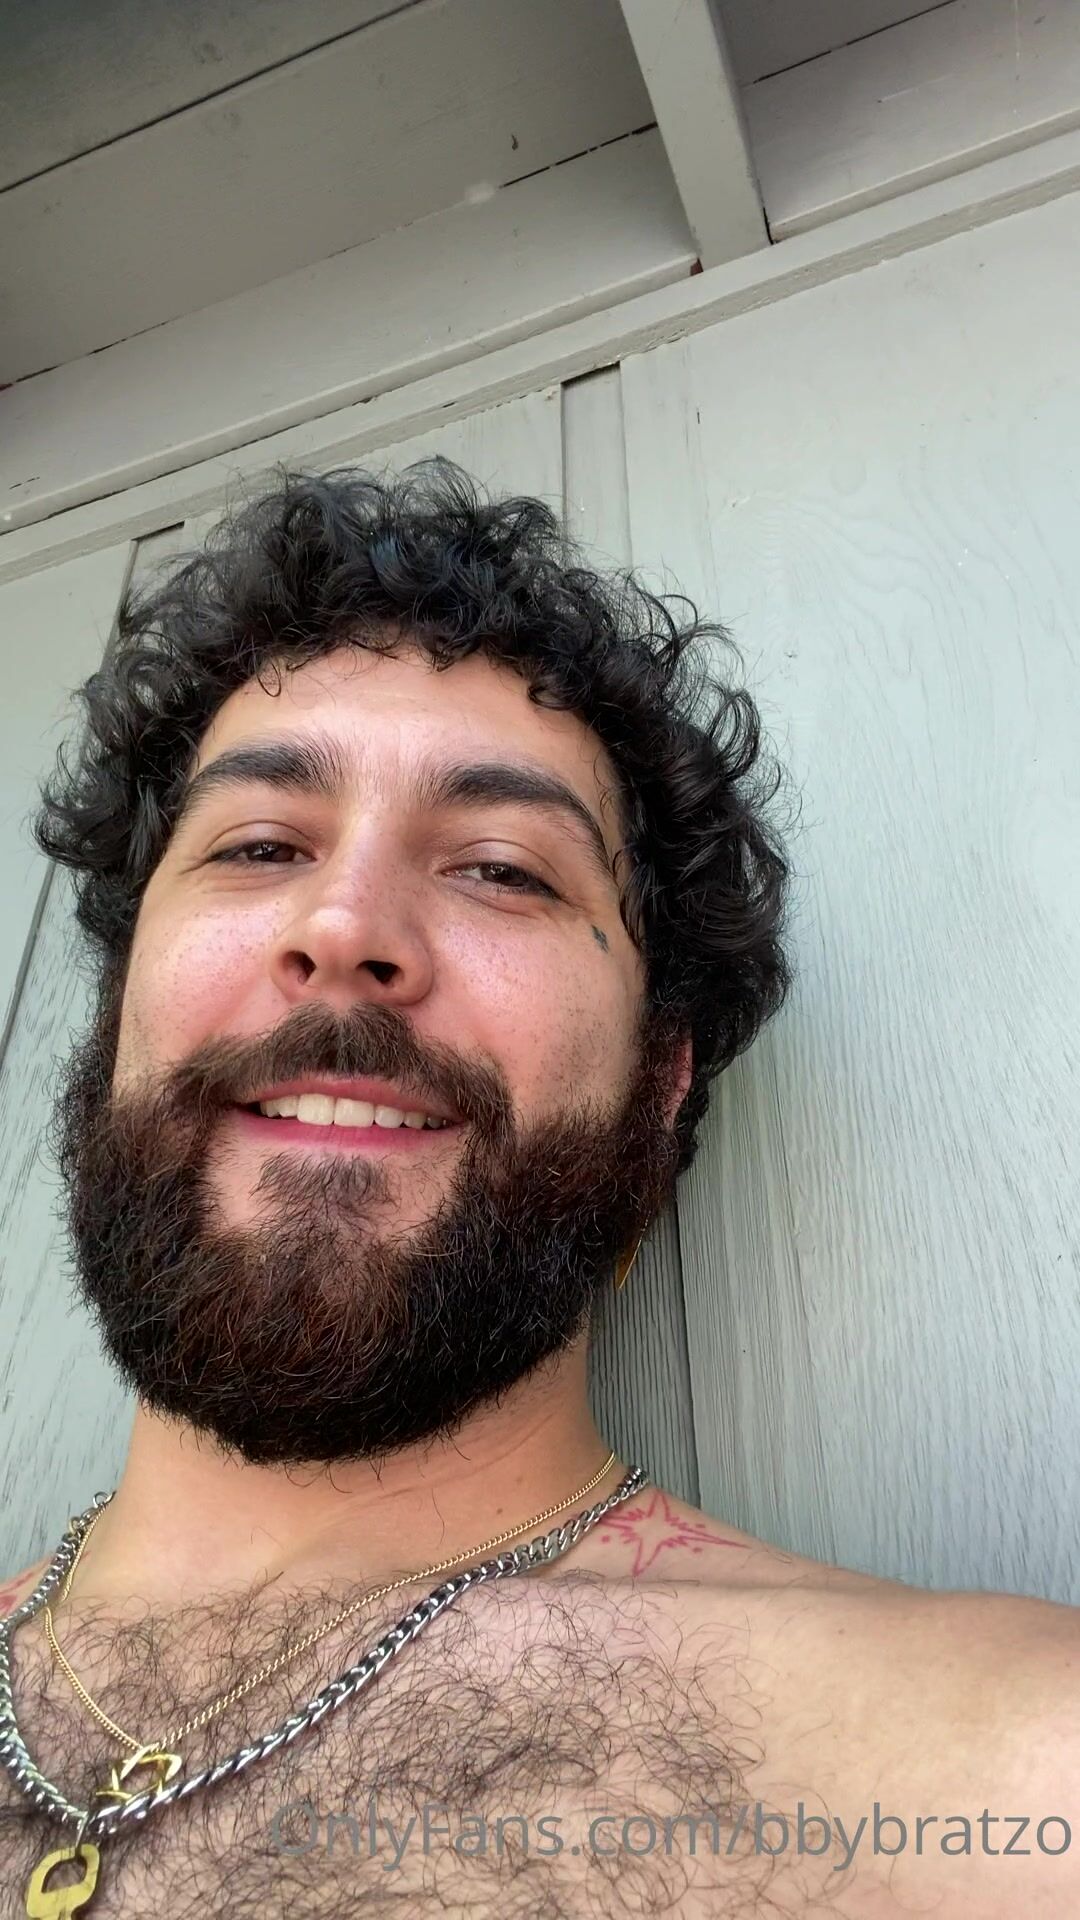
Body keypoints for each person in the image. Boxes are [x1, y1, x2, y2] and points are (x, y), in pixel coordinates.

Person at [0, 461, 1074, 1918]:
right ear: (123, 1007)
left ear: (659, 1082)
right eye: (258, 846)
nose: (344, 925)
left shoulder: (1003, 1783)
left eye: (504, 870)